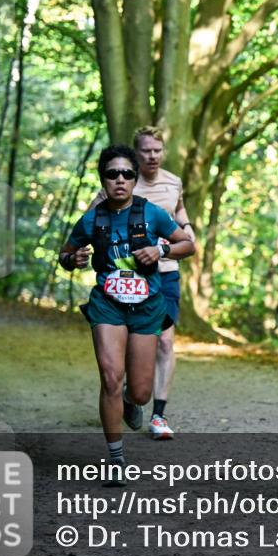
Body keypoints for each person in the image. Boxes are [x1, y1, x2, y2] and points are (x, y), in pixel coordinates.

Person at [60, 145, 194, 474]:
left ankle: (131, 400)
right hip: (108, 306)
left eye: (127, 174)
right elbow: (66, 253)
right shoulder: (92, 218)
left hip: (147, 307)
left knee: (141, 390)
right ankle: (115, 458)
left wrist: (160, 248)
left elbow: (187, 244)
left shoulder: (152, 213)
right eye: (112, 174)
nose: (120, 180)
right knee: (109, 378)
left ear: (135, 180)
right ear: (103, 179)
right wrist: (72, 260)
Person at [91, 127, 194, 439]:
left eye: (157, 150)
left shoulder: (173, 181)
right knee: (132, 344)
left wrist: (187, 228)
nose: (153, 156)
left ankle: (159, 415)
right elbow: (92, 219)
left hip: (166, 271)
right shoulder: (122, 181)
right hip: (128, 277)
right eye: (146, 151)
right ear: (136, 155)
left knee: (165, 341)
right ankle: (127, 392)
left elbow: (178, 210)